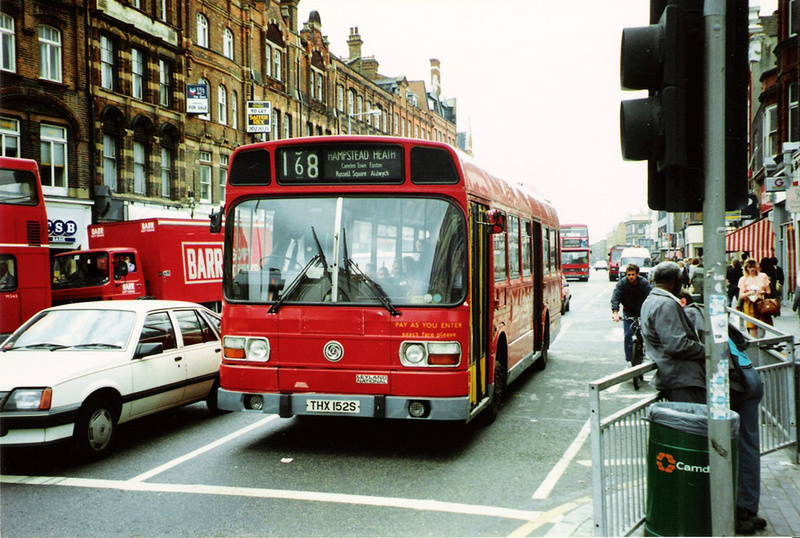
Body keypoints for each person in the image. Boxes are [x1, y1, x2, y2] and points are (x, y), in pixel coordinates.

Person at [676, 290, 766, 535]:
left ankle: (733, 513)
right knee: (749, 445)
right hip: (750, 374)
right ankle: (748, 508)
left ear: (683, 302)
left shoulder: (690, 314)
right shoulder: (712, 314)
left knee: (724, 443)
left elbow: (693, 349)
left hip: (736, 381)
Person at [640, 261, 706, 403]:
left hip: (675, 377)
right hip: (682, 378)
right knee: (692, 422)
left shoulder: (650, 300)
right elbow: (677, 344)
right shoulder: (666, 304)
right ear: (677, 281)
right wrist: (708, 350)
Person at [611, 264, 653, 364]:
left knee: (647, 333)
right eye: (628, 274)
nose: (630, 277)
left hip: (642, 311)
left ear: (637, 274)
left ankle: (648, 353)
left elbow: (652, 296)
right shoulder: (622, 283)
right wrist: (615, 312)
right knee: (628, 334)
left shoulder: (644, 283)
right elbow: (615, 297)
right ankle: (630, 360)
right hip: (628, 311)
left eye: (633, 274)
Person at [738, 258, 772, 338]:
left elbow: (769, 292)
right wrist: (750, 293)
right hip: (749, 303)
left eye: (753, 267)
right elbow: (741, 296)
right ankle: (754, 344)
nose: (752, 269)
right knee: (752, 326)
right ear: (746, 268)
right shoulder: (743, 279)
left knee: (763, 325)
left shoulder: (763, 276)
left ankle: (761, 343)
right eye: (749, 267)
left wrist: (761, 292)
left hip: (761, 303)